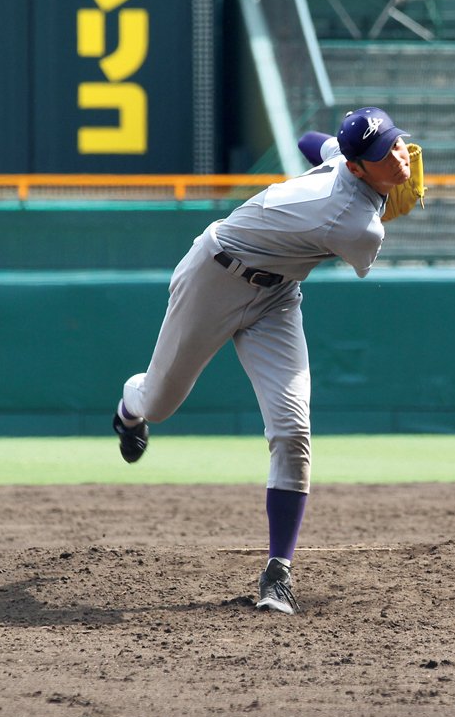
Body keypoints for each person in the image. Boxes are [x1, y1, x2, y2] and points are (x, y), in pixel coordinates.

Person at [112, 108, 422, 616]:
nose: (398, 156)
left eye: (395, 141)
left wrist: (354, 158)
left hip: (277, 297)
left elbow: (309, 139)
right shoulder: (359, 227)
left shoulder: (342, 163)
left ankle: (278, 570)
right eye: (380, 153)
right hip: (212, 279)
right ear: (358, 167)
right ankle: (130, 403)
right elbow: (358, 211)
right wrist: (388, 200)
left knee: (292, 430)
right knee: (160, 404)